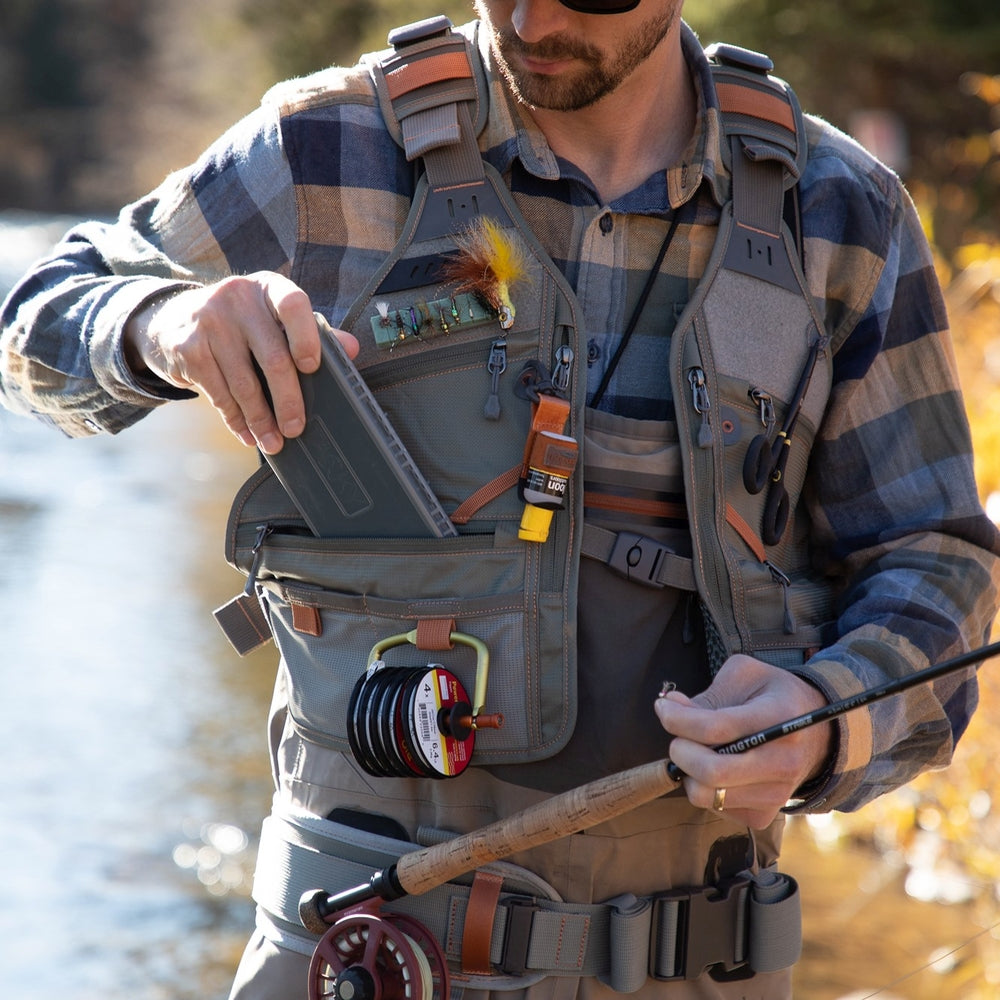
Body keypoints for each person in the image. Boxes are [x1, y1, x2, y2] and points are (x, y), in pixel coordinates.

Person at [2, 2, 999, 998]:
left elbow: (936, 553)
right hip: (361, 960)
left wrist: (831, 719)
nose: (529, 16)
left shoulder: (840, 216)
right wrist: (154, 320)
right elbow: (38, 316)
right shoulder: (325, 152)